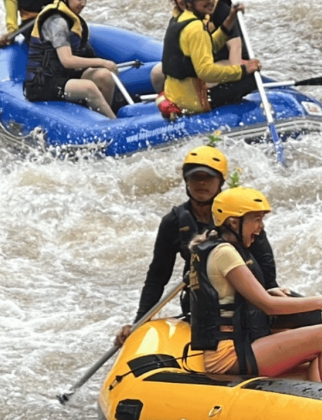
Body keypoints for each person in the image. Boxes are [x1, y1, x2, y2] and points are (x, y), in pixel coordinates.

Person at [114, 145, 280, 345]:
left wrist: (272, 301)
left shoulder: (240, 216)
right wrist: (139, 322)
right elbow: (157, 276)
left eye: (208, 177)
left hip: (245, 297)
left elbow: (266, 268)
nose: (201, 183)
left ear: (221, 181)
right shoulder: (173, 221)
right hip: (203, 302)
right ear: (186, 181)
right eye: (195, 177)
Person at [185, 188, 322, 381]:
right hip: (227, 356)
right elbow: (269, 306)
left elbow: (229, 292)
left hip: (239, 344)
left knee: (315, 356)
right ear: (233, 222)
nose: (261, 226)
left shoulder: (217, 248)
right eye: (256, 219)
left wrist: (267, 290)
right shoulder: (224, 253)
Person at [24, 0, 125, 119]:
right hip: (42, 83)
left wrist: (102, 67)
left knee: (104, 76)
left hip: (63, 76)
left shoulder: (70, 18)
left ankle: (101, 117)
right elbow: (67, 60)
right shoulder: (56, 22)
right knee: (88, 87)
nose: (83, 3)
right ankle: (113, 124)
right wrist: (103, 62)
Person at [158, 0, 258, 119]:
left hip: (175, 94)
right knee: (250, 78)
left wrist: (230, 18)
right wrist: (242, 70)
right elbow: (206, 72)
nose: (210, 1)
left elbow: (210, 46)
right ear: (190, 2)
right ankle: (229, 116)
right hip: (193, 102)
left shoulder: (180, 19)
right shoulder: (196, 28)